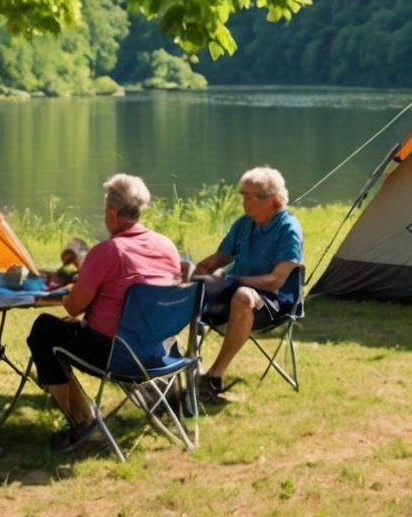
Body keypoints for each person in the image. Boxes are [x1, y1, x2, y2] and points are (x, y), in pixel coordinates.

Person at [27, 174, 183, 452]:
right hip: (161, 352)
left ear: (112, 212)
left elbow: (74, 307)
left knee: (45, 330)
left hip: (116, 355)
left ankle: (80, 419)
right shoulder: (166, 246)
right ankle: (84, 415)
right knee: (66, 329)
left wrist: (74, 289)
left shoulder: (107, 252)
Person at [190, 166, 303, 401]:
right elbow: (216, 260)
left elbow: (275, 281)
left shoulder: (288, 229)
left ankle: (213, 377)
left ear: (271, 200)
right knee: (189, 283)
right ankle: (182, 364)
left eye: (248, 197)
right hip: (232, 290)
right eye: (242, 195)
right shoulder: (244, 224)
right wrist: (196, 272)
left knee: (243, 296)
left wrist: (231, 280)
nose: (244, 202)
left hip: (273, 303)